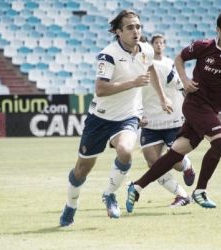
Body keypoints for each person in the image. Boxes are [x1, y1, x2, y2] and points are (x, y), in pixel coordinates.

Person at [126, 9, 221, 212]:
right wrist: (185, 80)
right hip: (196, 104)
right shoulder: (204, 46)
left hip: (211, 109)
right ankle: (200, 191)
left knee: (175, 154)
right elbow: (180, 57)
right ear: (218, 30)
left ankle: (136, 186)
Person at [59, 10, 173, 227]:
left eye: (138, 26)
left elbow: (151, 70)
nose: (136, 31)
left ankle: (110, 194)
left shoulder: (146, 50)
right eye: (130, 27)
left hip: (128, 116)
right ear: (119, 31)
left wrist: (163, 97)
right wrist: (133, 83)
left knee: (126, 151)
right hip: (99, 118)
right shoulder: (108, 54)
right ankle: (70, 206)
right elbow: (100, 89)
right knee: (81, 171)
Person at [139, 34, 195, 207]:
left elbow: (185, 88)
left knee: (176, 164)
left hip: (172, 122)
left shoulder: (164, 67)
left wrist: (193, 113)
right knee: (152, 163)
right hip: (149, 124)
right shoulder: (125, 71)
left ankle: (187, 166)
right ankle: (182, 195)